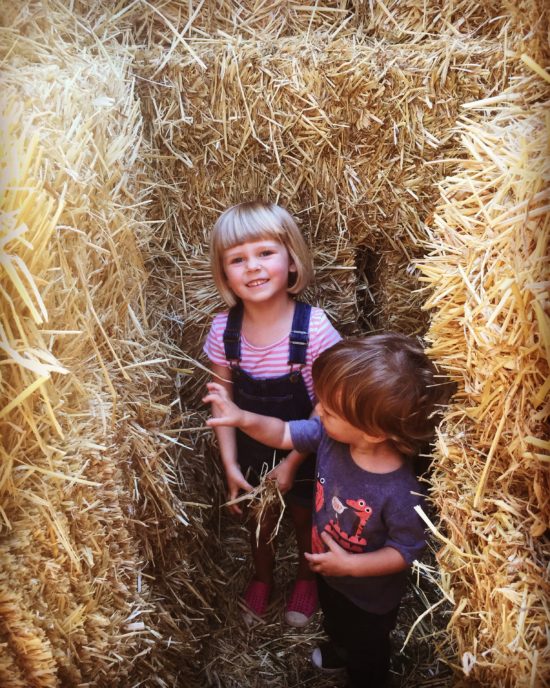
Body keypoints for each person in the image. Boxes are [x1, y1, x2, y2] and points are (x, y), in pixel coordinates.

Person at [203, 333, 449, 688]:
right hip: (329, 569)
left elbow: (405, 550)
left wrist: (350, 565)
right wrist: (242, 417)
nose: (319, 409)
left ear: (374, 431)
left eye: (330, 409)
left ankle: (364, 674)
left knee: (367, 647)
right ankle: (339, 651)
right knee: (335, 621)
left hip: (370, 596)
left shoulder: (401, 492)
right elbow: (284, 433)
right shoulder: (331, 436)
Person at [203, 201, 341, 626]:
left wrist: (291, 462)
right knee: (258, 520)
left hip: (307, 448)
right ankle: (262, 578)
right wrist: (229, 464)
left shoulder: (314, 328)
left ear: (291, 260)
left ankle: (306, 576)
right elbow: (222, 406)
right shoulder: (223, 331)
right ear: (225, 273)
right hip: (249, 447)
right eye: (238, 259)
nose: (253, 267)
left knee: (305, 517)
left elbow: (329, 408)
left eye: (265, 253)